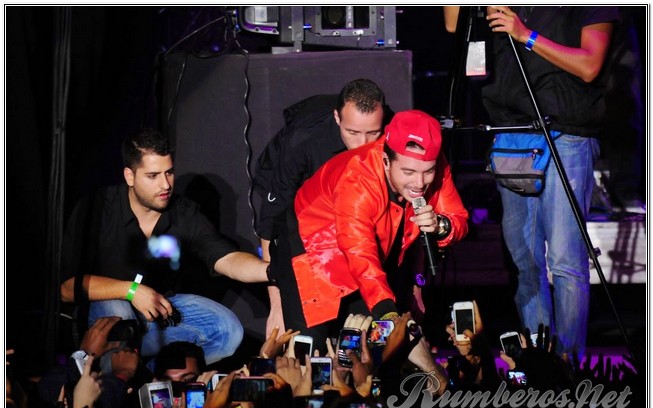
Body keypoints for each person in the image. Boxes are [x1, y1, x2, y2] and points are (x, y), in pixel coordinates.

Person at [444, 6, 620, 357]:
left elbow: (590, 65)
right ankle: (539, 362)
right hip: (512, 132)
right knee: (525, 263)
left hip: (566, 133)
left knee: (566, 262)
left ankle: (568, 366)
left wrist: (525, 35)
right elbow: (453, 23)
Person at [60, 128, 271, 365]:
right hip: (107, 323)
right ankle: (115, 380)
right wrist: (131, 290)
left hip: (157, 314)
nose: (165, 184)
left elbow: (227, 259)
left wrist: (271, 270)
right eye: (153, 176)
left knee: (228, 329)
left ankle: (155, 376)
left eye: (169, 172)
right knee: (119, 310)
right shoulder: (98, 208)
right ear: (130, 176)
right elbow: (66, 289)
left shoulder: (184, 213)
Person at [269, 110, 469, 350]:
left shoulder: (433, 163)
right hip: (313, 246)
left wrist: (440, 225)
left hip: (369, 255)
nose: (419, 183)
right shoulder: (358, 178)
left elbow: (458, 219)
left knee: (370, 345)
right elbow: (358, 249)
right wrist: (387, 315)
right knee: (313, 348)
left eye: (428, 172)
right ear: (386, 161)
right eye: (408, 172)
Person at [253, 78, 392, 336]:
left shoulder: (392, 131)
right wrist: (278, 303)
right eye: (353, 133)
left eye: (373, 133)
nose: (363, 144)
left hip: (351, 209)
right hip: (292, 199)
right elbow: (271, 223)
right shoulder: (303, 141)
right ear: (337, 118)